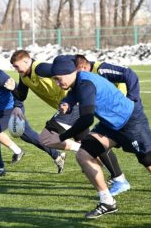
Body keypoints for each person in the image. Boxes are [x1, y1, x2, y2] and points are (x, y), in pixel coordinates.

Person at [48, 55, 151, 220]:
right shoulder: (78, 81)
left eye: (58, 78)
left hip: (131, 123)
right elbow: (72, 95)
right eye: (54, 79)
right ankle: (107, 201)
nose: (57, 83)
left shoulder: (85, 84)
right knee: (84, 154)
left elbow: (86, 120)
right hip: (110, 125)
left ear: (70, 72)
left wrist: (64, 136)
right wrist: (67, 103)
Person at [10, 50, 128, 188]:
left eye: (17, 66)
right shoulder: (24, 77)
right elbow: (21, 95)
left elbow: (65, 69)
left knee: (46, 138)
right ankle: (119, 178)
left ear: (27, 61)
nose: (15, 69)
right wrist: (13, 91)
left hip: (73, 105)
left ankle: (90, 155)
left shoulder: (40, 68)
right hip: (68, 107)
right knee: (92, 144)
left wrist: (83, 69)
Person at [73, 54, 151, 194]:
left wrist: (132, 98)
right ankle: (118, 180)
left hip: (126, 114)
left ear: (84, 67)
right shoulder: (83, 79)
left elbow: (129, 74)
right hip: (111, 117)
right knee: (93, 143)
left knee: (146, 151)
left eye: (77, 71)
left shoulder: (101, 69)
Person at [0, 59, 64, 177]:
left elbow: (16, 89)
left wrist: (18, 106)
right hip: (2, 111)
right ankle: (57, 155)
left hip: (12, 109)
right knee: (28, 136)